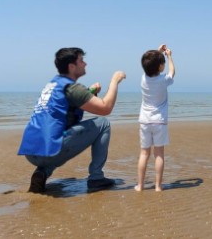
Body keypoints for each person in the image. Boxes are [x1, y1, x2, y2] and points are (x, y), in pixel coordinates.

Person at [17, 47, 126, 193]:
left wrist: (89, 92)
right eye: (81, 61)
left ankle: (42, 172)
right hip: (50, 152)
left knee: (56, 135)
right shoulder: (72, 88)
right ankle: (96, 178)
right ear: (71, 66)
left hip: (31, 152)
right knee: (103, 123)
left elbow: (69, 106)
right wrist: (115, 81)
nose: (85, 64)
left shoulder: (52, 85)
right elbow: (105, 108)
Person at [134, 44, 175, 192]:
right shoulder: (163, 80)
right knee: (159, 154)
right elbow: (172, 72)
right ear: (160, 67)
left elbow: (150, 66)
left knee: (144, 153)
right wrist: (169, 56)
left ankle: (140, 185)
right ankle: (158, 186)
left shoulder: (143, 79)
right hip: (159, 121)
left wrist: (158, 52)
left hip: (144, 121)